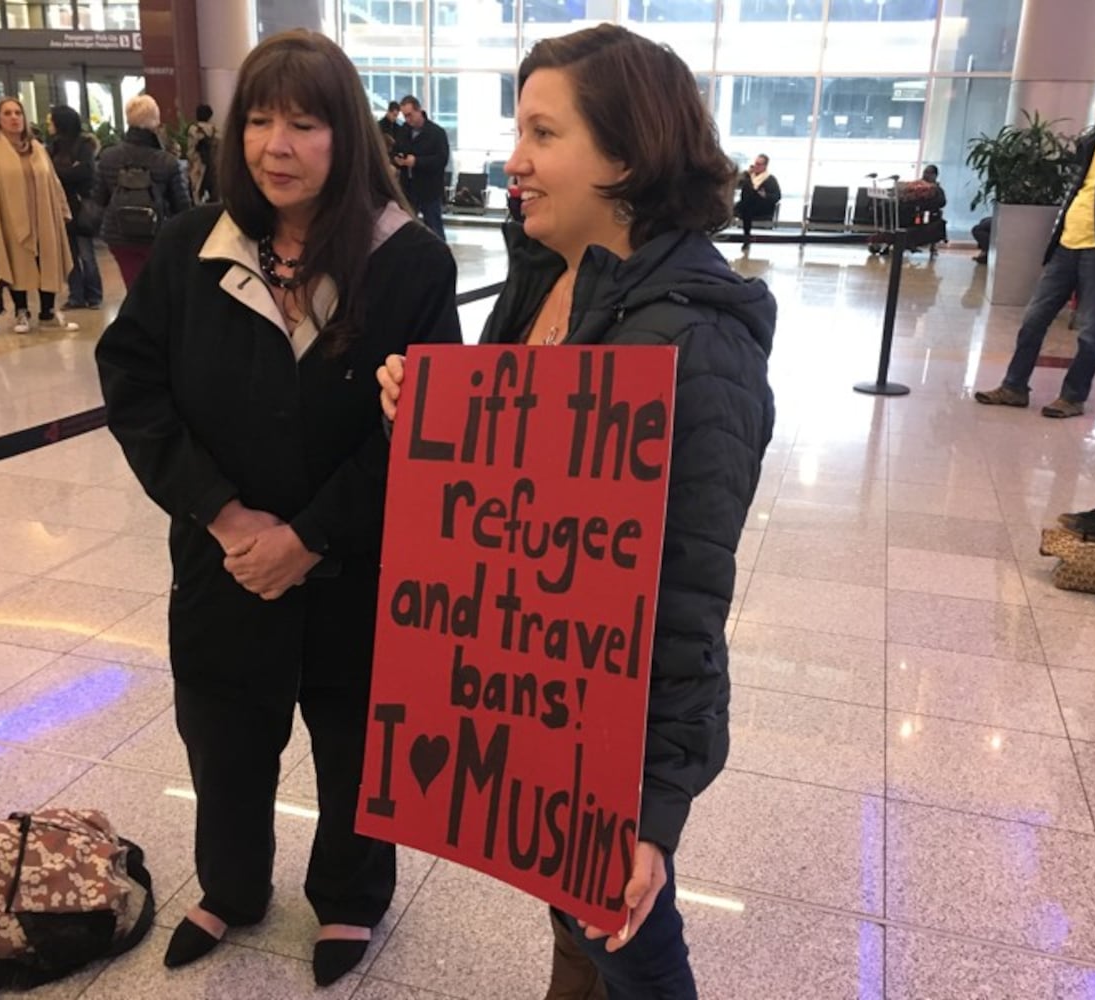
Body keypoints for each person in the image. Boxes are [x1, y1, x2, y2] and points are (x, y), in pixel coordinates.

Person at [377, 24, 775, 999]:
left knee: (633, 938)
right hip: (542, 704)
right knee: (580, 923)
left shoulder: (695, 346)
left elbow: (685, 603)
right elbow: (515, 505)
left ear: (627, 156)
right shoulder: (550, 280)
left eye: (543, 134)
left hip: (618, 740)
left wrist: (653, 809)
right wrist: (431, 425)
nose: (513, 160)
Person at [95, 29, 461, 988]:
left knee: (354, 749)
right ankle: (229, 887)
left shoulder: (409, 263)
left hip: (359, 571)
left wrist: (308, 535)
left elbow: (426, 429)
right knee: (224, 741)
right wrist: (224, 516)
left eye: (304, 123)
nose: (276, 146)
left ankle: (348, 900)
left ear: (346, 134)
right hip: (222, 567)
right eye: (259, 119)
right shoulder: (191, 249)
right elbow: (134, 386)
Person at [976, 75, 1095, 418]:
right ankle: (1014, 386)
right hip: (1067, 243)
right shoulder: (1091, 141)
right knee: (1034, 318)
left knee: (1090, 330)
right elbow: (1078, 191)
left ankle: (1073, 396)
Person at [0, 97, 78, 331]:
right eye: (8, 113)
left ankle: (48, 311)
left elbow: (53, 182)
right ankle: (21, 311)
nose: (14, 118)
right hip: (9, 218)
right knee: (18, 263)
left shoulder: (37, 148)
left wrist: (62, 211)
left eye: (18, 113)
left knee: (47, 262)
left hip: (43, 217)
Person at [92, 93, 192, 289]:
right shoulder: (166, 161)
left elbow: (99, 199)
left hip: (119, 235)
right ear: (156, 121)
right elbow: (182, 206)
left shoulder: (108, 157)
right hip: (157, 236)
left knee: (133, 287)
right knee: (160, 290)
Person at [47, 105, 103, 311]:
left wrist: (61, 174)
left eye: (51, 121)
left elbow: (85, 172)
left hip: (80, 206)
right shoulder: (53, 146)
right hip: (62, 207)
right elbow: (48, 175)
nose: (49, 125)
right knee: (69, 254)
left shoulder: (84, 145)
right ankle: (76, 296)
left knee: (87, 254)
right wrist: (67, 172)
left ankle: (94, 295)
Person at [392, 95, 450, 240]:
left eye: (410, 115)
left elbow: (441, 159)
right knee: (406, 228)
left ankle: (440, 259)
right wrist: (396, 159)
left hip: (429, 189)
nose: (407, 119)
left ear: (419, 111)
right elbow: (395, 149)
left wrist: (418, 162)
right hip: (408, 188)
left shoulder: (436, 133)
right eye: (404, 116)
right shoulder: (403, 131)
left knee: (434, 228)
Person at [736, 153, 780, 248]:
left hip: (762, 207)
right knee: (746, 196)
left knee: (747, 205)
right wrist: (746, 173)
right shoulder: (749, 177)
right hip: (747, 205)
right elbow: (736, 184)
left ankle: (746, 238)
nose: (756, 166)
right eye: (755, 163)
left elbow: (777, 196)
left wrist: (765, 195)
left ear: (765, 166)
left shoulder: (770, 179)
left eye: (759, 164)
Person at [187, 103, 219, 204]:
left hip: (199, 166)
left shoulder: (194, 130)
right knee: (214, 196)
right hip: (213, 166)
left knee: (197, 194)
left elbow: (191, 150)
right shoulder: (215, 130)